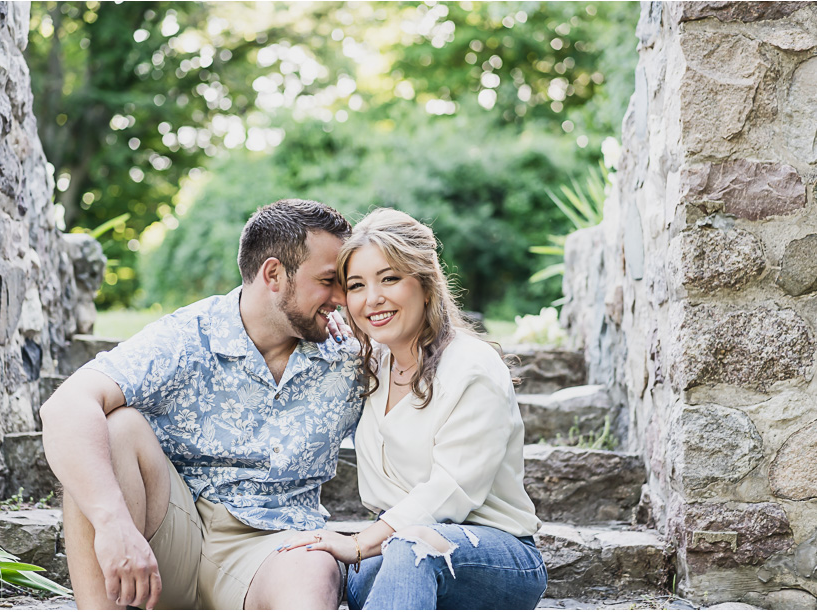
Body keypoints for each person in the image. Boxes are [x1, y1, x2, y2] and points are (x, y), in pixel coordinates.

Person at [40, 199, 365, 610]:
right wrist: (113, 525)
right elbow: (65, 406)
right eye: (328, 281)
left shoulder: (350, 354)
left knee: (313, 569)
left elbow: (424, 372)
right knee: (116, 427)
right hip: (174, 532)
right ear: (274, 274)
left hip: (274, 548)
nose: (342, 296)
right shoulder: (189, 336)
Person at [281, 208, 547, 609]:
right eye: (356, 286)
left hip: (498, 555)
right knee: (319, 565)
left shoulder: (472, 367)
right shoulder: (370, 365)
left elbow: (450, 490)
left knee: (410, 547)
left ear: (425, 285)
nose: (372, 299)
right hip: (396, 544)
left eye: (389, 278)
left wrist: (359, 543)